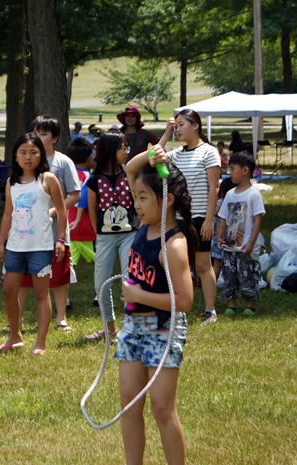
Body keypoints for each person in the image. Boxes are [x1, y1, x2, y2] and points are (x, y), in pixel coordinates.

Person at [118, 161, 197, 465]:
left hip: (163, 330)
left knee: (161, 407)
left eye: (143, 197)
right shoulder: (145, 227)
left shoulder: (173, 245)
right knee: (129, 403)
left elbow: (185, 301)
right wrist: (153, 153)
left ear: (167, 199)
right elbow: (131, 168)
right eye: (134, 197)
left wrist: (139, 295)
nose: (136, 204)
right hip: (132, 327)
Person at [0, 133, 66, 355]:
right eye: (23, 152)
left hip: (41, 246)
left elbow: (61, 209)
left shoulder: (48, 179)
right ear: (15, 156)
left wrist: (61, 239)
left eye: (33, 152)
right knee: (8, 290)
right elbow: (8, 215)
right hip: (15, 247)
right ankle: (15, 334)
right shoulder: (11, 183)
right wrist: (0, 244)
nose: (28, 157)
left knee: (41, 294)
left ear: (41, 155)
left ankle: (40, 342)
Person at [151, 108, 221, 324]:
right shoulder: (176, 154)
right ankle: (175, 307)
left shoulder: (209, 152)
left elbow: (214, 188)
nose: (178, 129)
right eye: (176, 126)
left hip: (199, 217)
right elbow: (153, 158)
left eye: (181, 125)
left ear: (196, 125)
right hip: (177, 218)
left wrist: (208, 220)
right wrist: (166, 132)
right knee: (173, 264)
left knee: (202, 264)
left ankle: (210, 311)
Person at [16, 115, 80, 333]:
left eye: (43, 134)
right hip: (27, 231)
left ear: (55, 138)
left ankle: (61, 317)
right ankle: (17, 319)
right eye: (35, 132)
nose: (38, 137)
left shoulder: (63, 162)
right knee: (24, 277)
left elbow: (75, 194)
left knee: (59, 275)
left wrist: (52, 212)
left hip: (54, 231)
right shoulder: (25, 161)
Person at [85, 130, 139, 340]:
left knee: (130, 280)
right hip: (104, 236)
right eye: (122, 147)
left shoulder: (130, 173)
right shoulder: (94, 179)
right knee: (101, 282)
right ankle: (109, 328)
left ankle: (129, 327)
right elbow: (92, 210)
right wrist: (99, 234)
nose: (127, 151)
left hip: (130, 234)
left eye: (127, 147)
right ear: (109, 150)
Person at [217, 152, 265, 316]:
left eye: (232, 169)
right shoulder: (230, 194)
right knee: (229, 276)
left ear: (245, 170)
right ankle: (231, 304)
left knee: (248, 275)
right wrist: (219, 237)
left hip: (245, 247)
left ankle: (250, 305)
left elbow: (257, 220)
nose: (229, 172)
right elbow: (223, 218)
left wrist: (251, 242)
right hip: (230, 246)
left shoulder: (254, 194)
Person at [66, 139, 96, 268]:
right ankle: (104, 270)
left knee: (72, 255)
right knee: (94, 255)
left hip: (68, 218)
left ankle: (66, 272)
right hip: (82, 220)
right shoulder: (87, 176)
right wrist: (78, 219)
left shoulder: (68, 174)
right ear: (89, 157)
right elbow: (83, 197)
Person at [211, 177, 237, 282]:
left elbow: (214, 212)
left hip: (220, 237)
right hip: (230, 237)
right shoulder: (234, 204)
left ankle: (213, 283)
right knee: (230, 263)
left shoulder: (221, 201)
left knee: (217, 264)